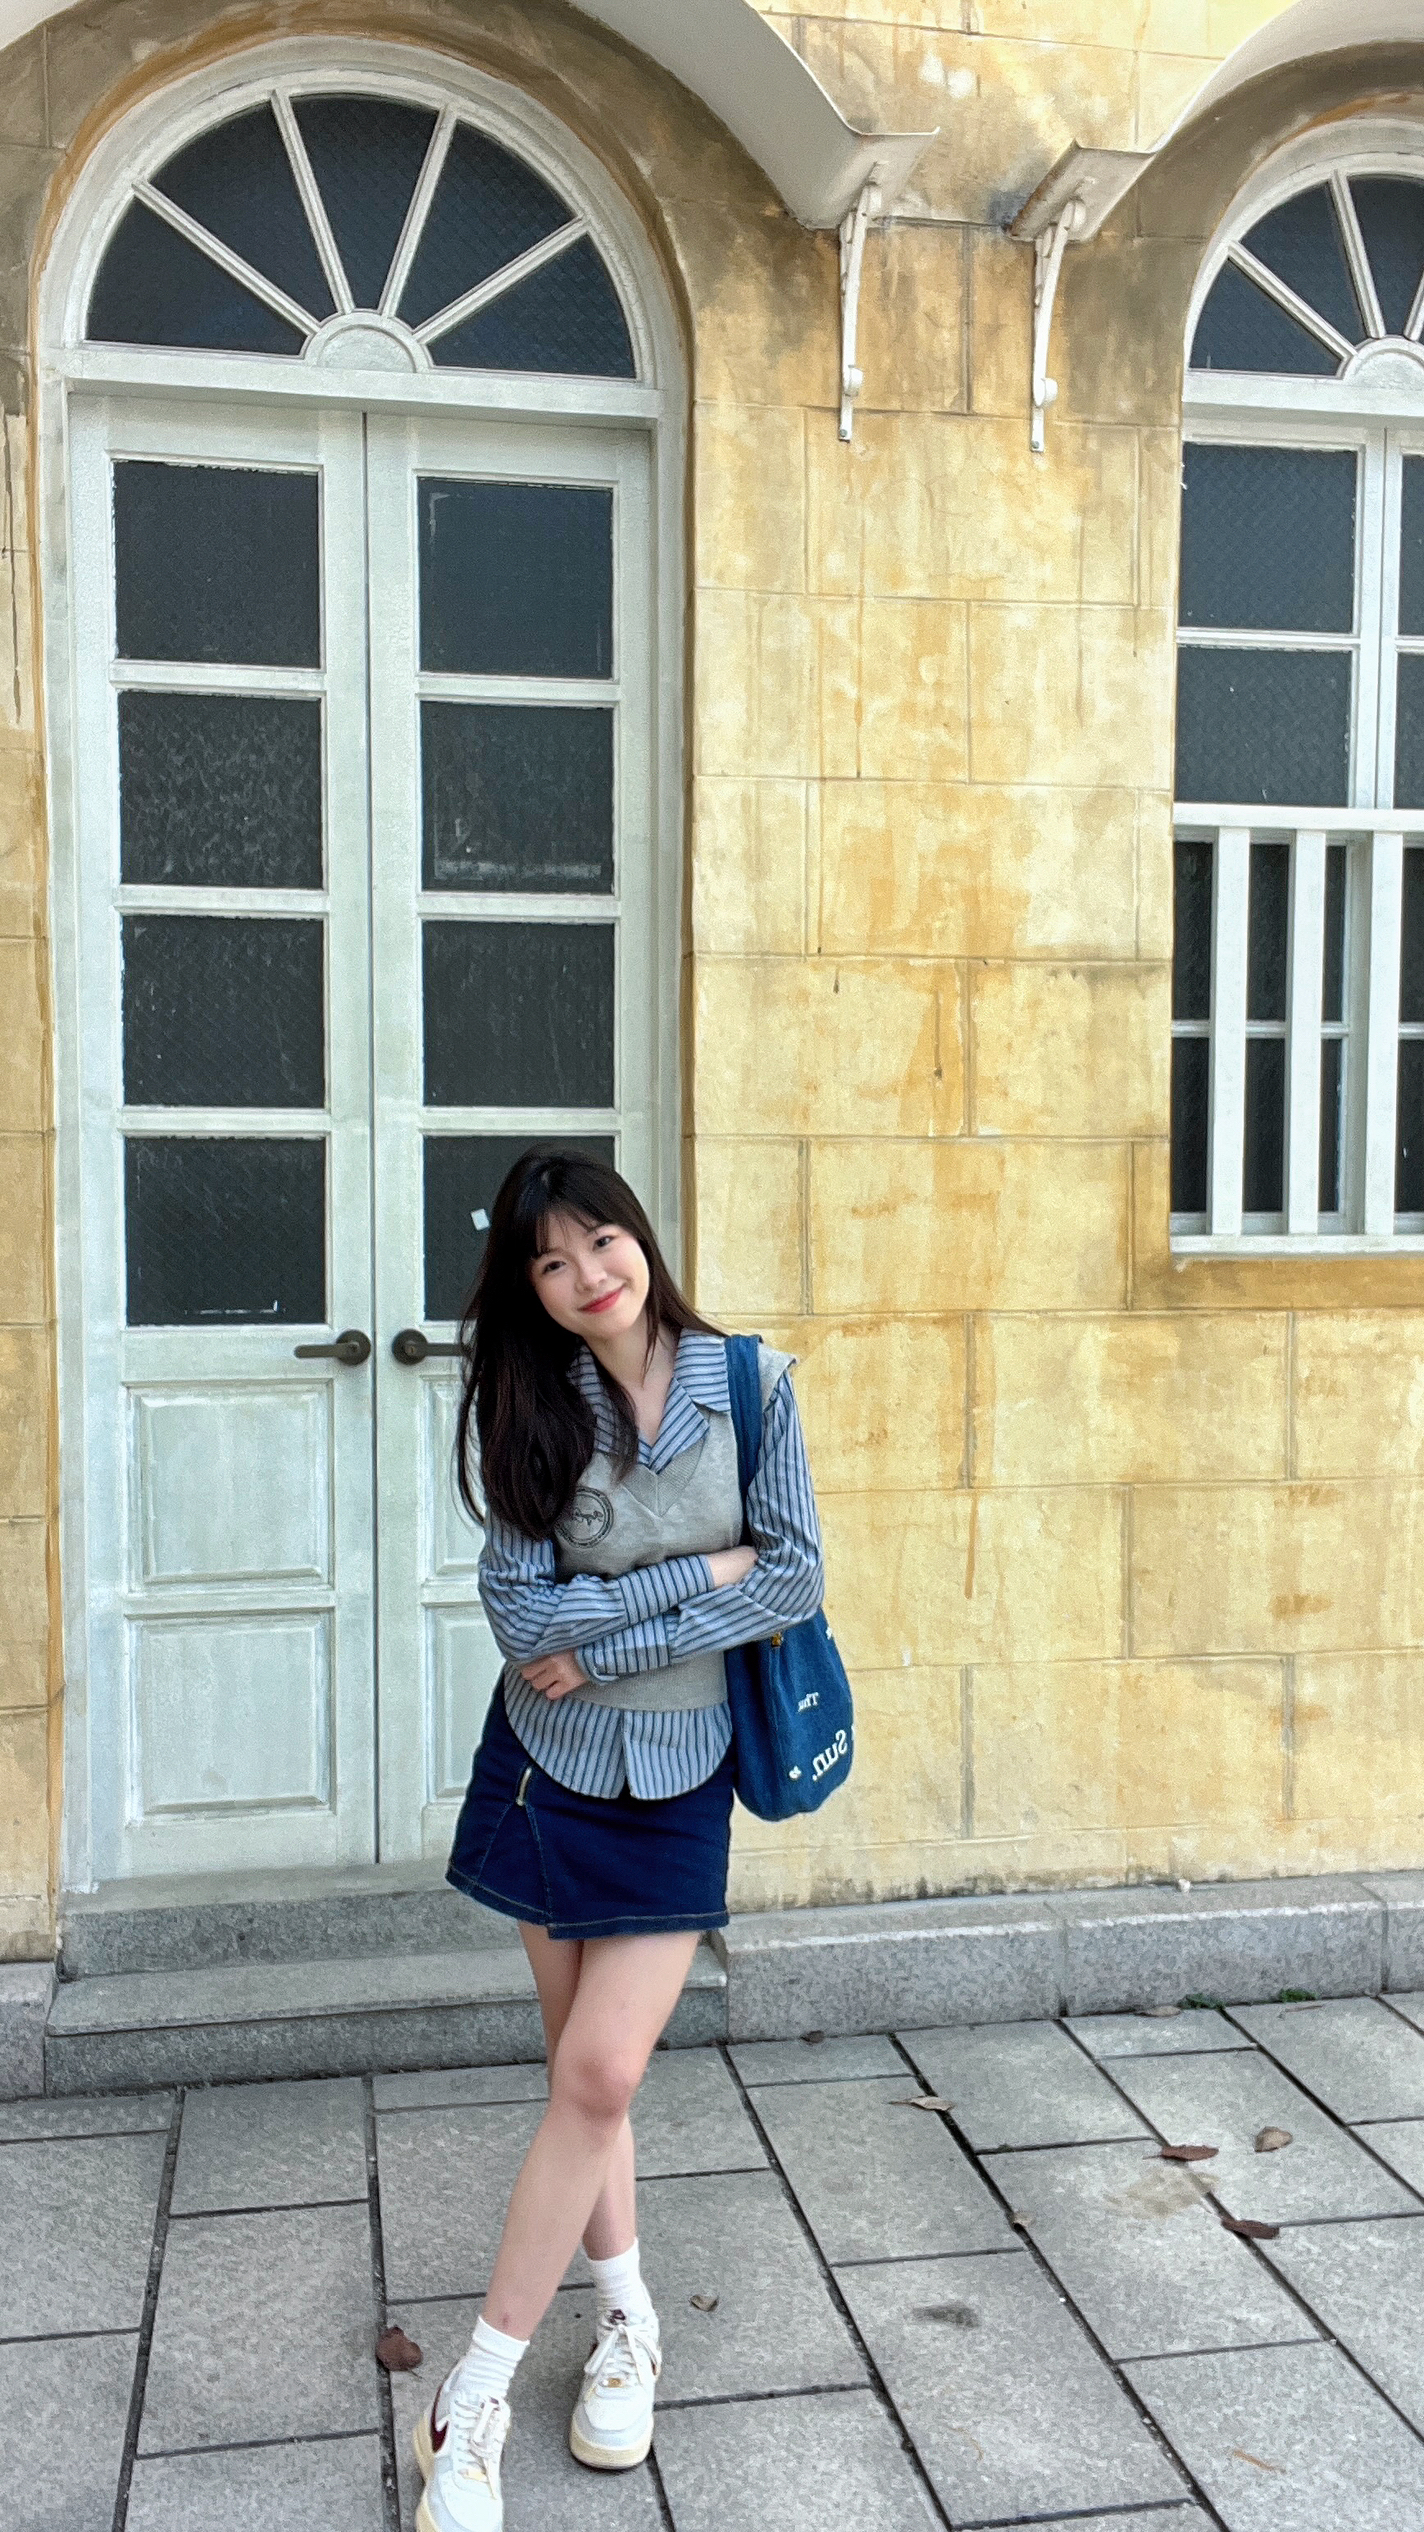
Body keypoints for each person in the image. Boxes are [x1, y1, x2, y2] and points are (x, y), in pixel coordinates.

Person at [413, 1147, 826, 2532]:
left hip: (682, 1771)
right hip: (549, 1770)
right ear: (528, 1290)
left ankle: (473, 2392)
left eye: (601, 1242)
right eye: (551, 1262)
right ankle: (630, 2319)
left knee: (598, 2071)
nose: (587, 1276)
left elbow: (793, 1576)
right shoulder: (529, 1410)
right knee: (585, 2089)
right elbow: (521, 1622)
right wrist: (695, 1574)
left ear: (638, 1237)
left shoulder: (752, 1387)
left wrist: (617, 1632)